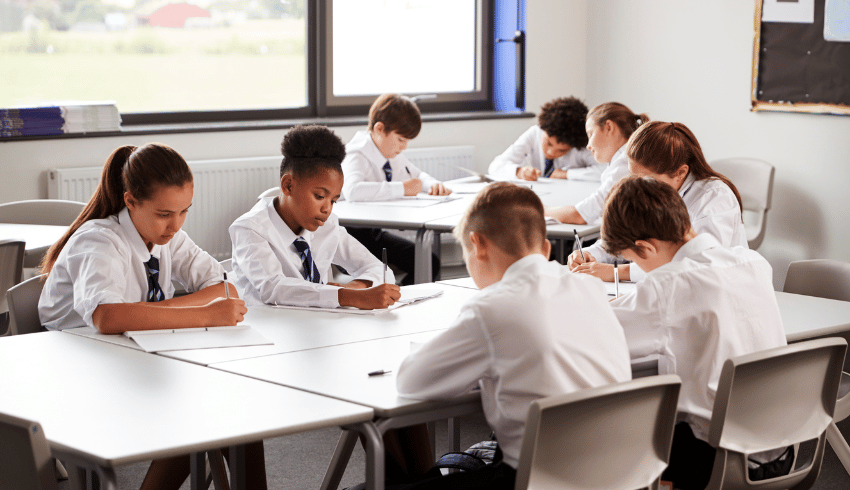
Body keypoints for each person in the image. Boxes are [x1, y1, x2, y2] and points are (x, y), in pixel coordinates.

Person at [38, 143, 266, 490]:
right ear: (130, 201)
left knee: (239, 414)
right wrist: (200, 313)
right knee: (198, 415)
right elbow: (108, 317)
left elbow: (226, 288)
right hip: (79, 375)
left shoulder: (165, 237)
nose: (175, 225)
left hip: (133, 358)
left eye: (184, 211)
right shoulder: (99, 241)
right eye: (164, 213)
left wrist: (174, 311)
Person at [391, 182, 632, 489]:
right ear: (545, 249)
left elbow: (411, 382)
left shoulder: (492, 307)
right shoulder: (590, 289)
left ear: (478, 243)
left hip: (534, 480)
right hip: (618, 474)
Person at [605, 176, 787, 490]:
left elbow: (600, 337)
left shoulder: (667, 286)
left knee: (600, 428)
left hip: (712, 455)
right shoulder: (754, 262)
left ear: (646, 247)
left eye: (633, 259)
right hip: (779, 443)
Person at [230, 124, 401, 310]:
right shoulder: (250, 229)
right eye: (319, 196)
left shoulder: (328, 225)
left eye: (334, 200)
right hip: (270, 329)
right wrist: (347, 296)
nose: (327, 208)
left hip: (320, 326)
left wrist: (357, 287)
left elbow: (380, 269)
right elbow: (274, 288)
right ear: (288, 186)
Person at [569, 121, 746, 283]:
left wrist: (617, 272)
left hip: (714, 288)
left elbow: (697, 266)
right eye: (632, 174)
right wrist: (591, 254)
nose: (636, 183)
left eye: (645, 178)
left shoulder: (714, 198)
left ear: (680, 173)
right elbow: (624, 230)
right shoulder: (650, 191)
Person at [340, 93, 445, 284]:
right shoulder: (356, 154)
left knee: (430, 262)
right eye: (401, 140)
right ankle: (397, 299)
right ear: (379, 129)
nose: (404, 147)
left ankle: (401, 299)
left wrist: (433, 184)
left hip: (372, 234)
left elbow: (417, 175)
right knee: (422, 264)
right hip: (349, 239)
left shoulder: (389, 151)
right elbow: (353, 191)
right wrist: (401, 189)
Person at [545, 102, 648, 224]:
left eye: (590, 134)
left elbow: (580, 215)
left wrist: (538, 210)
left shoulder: (626, 166)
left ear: (609, 127)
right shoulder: (623, 160)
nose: (588, 146)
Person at [487, 96, 601, 181]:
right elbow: (495, 166)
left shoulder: (581, 143)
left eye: (562, 150)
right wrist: (519, 171)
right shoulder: (535, 133)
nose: (550, 152)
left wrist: (566, 174)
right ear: (543, 130)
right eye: (549, 143)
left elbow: (604, 171)